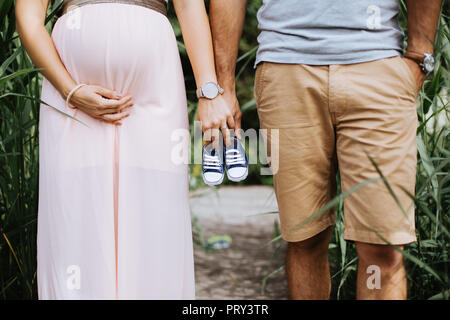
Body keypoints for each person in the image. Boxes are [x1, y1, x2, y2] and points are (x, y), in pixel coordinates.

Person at [209, 0, 441, 299]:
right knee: (305, 238)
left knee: (383, 245)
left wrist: (420, 54)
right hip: (287, 68)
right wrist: (224, 86)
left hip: (378, 68)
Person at [16, 0, 230, 299]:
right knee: (76, 216)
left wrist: (209, 90)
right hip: (70, 93)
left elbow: (189, 4)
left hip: (155, 89)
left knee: (156, 213)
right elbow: (28, 16)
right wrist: (70, 91)